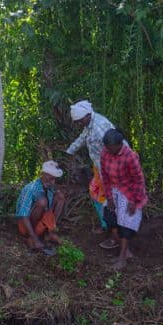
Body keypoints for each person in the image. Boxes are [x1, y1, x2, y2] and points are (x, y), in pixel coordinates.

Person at [65, 99, 118, 234]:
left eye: (79, 121)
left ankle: (114, 229)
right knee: (96, 192)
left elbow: (115, 147)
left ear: (87, 115)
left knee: (108, 197)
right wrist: (70, 151)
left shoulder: (100, 127)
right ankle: (107, 224)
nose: (78, 124)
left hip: (110, 168)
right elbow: (83, 138)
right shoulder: (89, 125)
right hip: (99, 166)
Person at [100, 129, 147, 270]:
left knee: (125, 223)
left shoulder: (130, 156)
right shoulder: (104, 154)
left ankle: (122, 257)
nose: (107, 149)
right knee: (109, 216)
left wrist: (134, 201)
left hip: (129, 190)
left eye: (110, 147)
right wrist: (109, 197)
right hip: (113, 189)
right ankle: (125, 251)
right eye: (106, 146)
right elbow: (105, 176)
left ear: (119, 145)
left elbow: (138, 180)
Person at [15, 161, 66, 253]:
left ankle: (50, 232)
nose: (51, 181)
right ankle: (31, 237)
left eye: (53, 178)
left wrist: (51, 225)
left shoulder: (49, 186)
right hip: (25, 225)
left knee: (60, 197)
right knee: (42, 202)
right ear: (42, 174)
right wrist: (35, 240)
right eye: (49, 177)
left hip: (41, 220)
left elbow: (48, 208)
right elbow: (23, 215)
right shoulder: (31, 188)